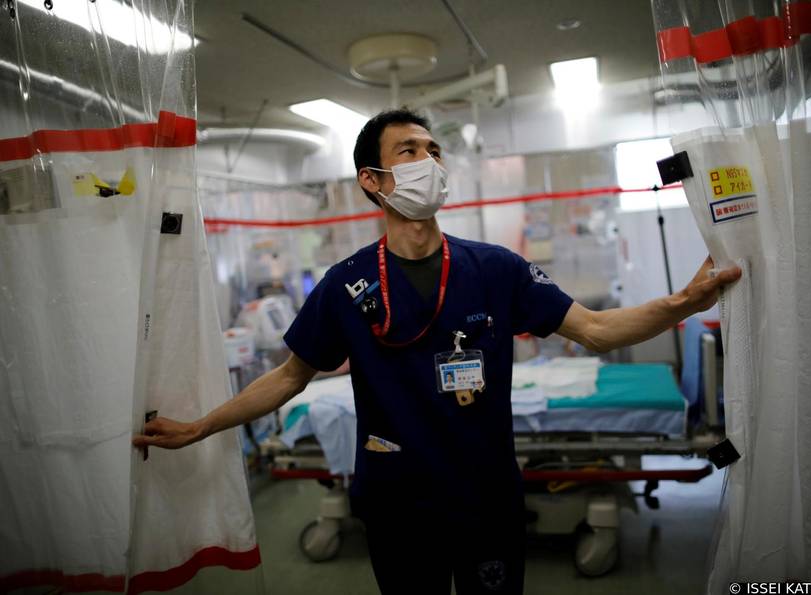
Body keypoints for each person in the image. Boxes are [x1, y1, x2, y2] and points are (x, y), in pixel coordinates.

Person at [134, 109, 741, 594]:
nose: (430, 161)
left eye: (434, 151)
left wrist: (685, 303)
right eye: (409, 152)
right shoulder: (344, 285)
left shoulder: (495, 269)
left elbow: (598, 329)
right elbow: (292, 376)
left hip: (487, 499)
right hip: (398, 505)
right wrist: (202, 426)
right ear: (372, 180)